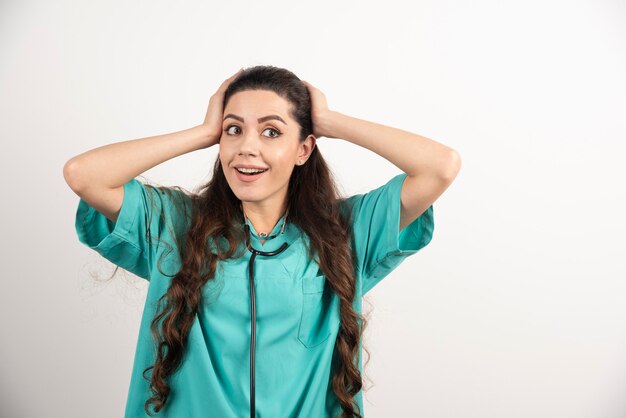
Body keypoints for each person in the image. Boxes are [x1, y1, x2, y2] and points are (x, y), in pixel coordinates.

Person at [63, 65, 460, 418]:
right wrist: (202, 133)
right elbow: (84, 174)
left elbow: (440, 167)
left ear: (304, 149)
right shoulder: (176, 224)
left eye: (271, 131)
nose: (247, 147)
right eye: (234, 129)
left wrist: (330, 121)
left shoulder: (346, 230)